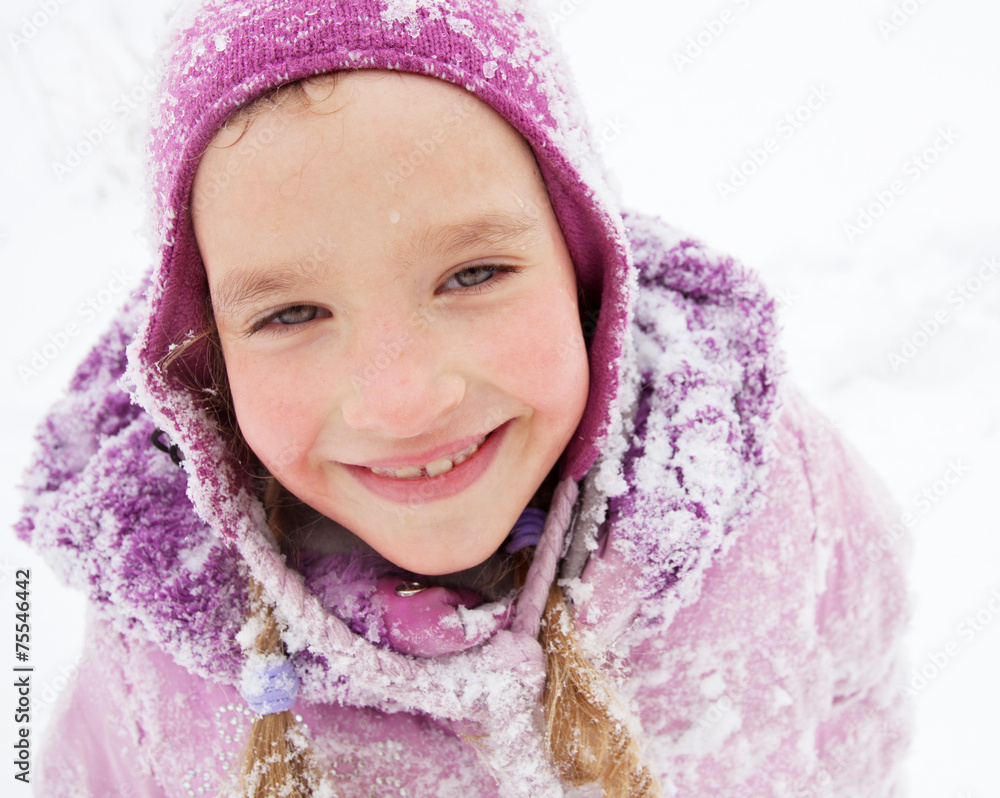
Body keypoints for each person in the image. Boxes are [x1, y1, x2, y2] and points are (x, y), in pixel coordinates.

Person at [15, 0, 911, 795]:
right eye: (291, 313)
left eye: (472, 274)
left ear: (586, 270)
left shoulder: (761, 490)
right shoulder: (165, 650)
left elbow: (857, 695)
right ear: (207, 356)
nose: (402, 401)